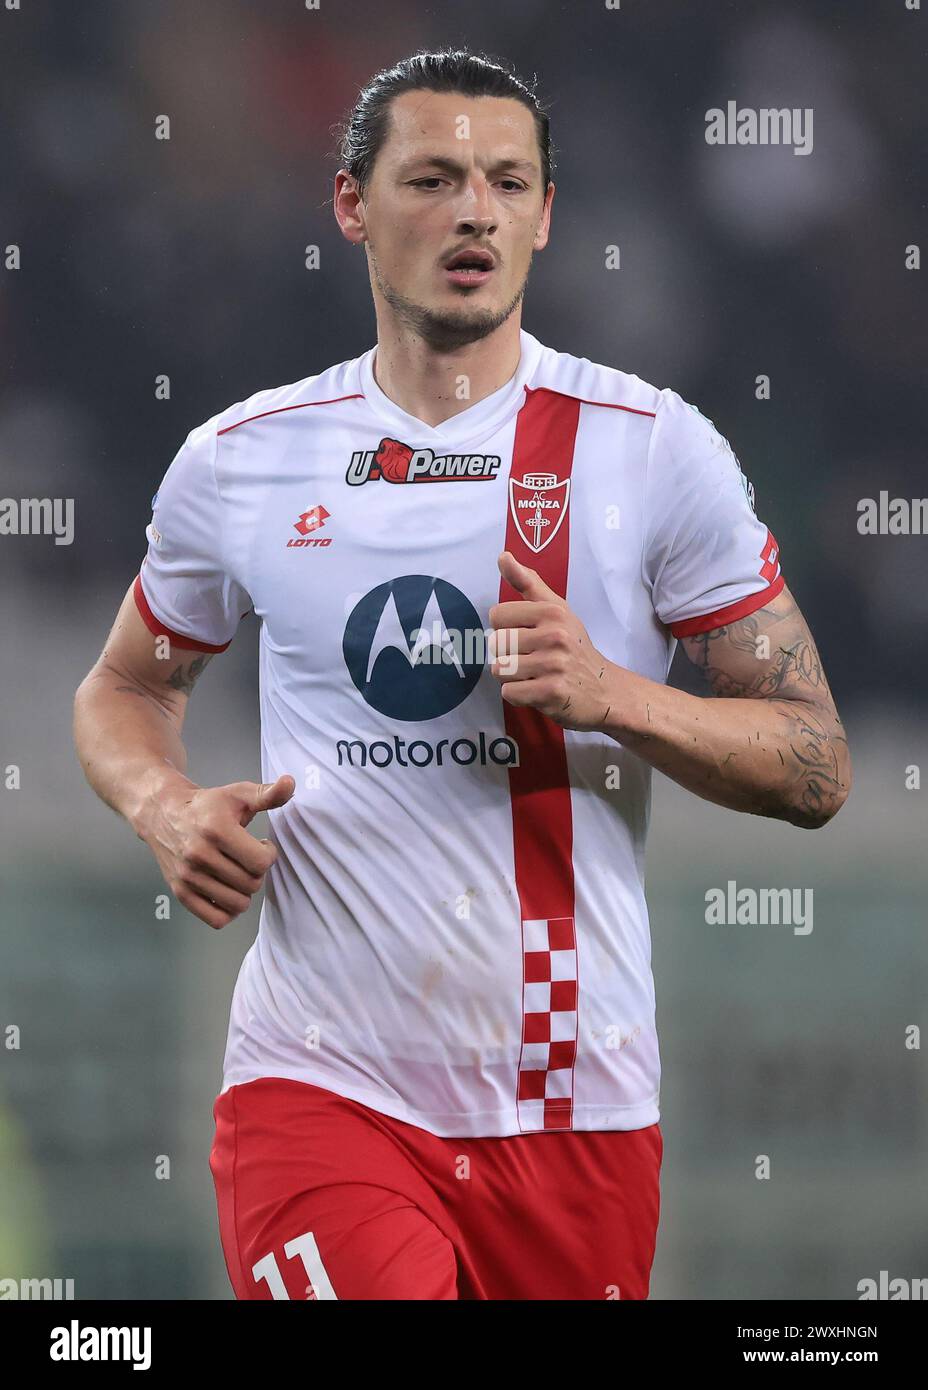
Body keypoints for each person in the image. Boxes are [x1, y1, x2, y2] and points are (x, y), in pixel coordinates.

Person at [73, 48, 851, 1300]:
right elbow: (125, 688)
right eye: (430, 178)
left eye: (504, 180)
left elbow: (816, 762)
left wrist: (616, 696)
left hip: (574, 1106)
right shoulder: (244, 462)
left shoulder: (653, 454)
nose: (472, 209)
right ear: (351, 205)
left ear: (545, 215)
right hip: (321, 1085)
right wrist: (166, 807)